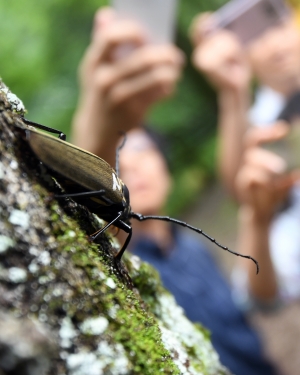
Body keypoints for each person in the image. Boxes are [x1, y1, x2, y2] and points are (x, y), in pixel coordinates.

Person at [71, 7, 277, 375]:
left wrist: (234, 93)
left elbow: (260, 300)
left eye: (142, 153)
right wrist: (98, 128)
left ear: (166, 166)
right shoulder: (118, 253)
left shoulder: (194, 248)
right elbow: (93, 204)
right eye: (121, 165)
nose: (133, 168)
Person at [191, 9, 300, 305]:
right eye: (257, 37)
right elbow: (242, 184)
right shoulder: (263, 128)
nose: (274, 45)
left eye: (276, 26)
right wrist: (232, 91)